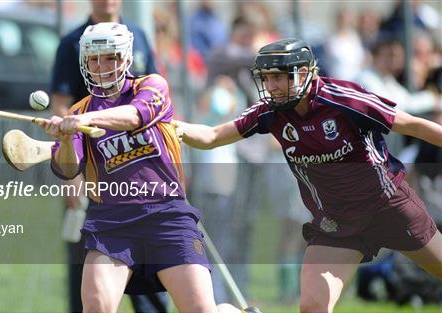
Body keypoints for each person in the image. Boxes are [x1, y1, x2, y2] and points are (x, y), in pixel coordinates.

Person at [175, 38, 442, 313]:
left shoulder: (343, 98)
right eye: (266, 79)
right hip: (336, 223)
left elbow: (413, 125)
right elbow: (212, 135)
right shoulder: (270, 112)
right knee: (312, 306)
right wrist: (172, 127)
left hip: (389, 207)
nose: (271, 87)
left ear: (304, 73)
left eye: (279, 77)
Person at [41, 22, 260, 313]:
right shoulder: (79, 112)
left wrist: (86, 122)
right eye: (93, 58)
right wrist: (67, 139)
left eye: (110, 57)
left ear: (126, 58)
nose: (101, 65)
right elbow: (67, 170)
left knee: (201, 310)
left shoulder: (150, 86)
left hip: (167, 215)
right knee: (96, 306)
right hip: (112, 222)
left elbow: (134, 117)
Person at [49, 1, 164, 312]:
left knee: (150, 260)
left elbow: (155, 103)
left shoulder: (138, 35)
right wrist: (71, 173)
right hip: (94, 168)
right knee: (88, 261)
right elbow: (62, 105)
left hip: (141, 171)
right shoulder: (72, 42)